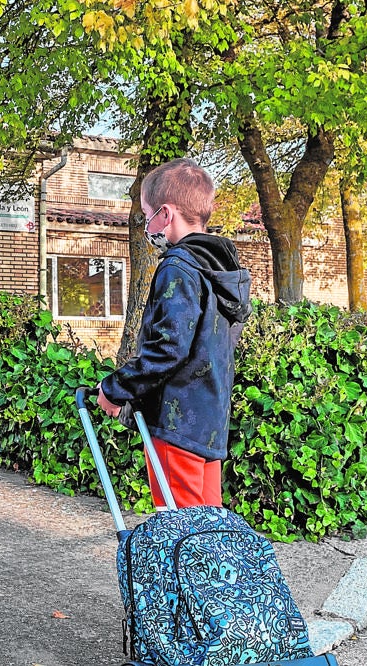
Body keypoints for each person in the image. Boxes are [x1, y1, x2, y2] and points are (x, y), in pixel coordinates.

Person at [96, 158, 253, 509]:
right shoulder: (222, 270)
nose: (147, 224)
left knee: (180, 526)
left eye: (147, 214)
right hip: (210, 424)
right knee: (207, 529)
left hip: (176, 419)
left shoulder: (178, 267)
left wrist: (114, 388)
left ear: (165, 215)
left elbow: (168, 347)